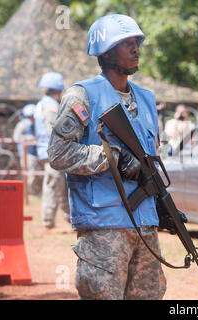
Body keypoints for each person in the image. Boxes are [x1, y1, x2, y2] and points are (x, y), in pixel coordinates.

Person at [47, 14, 166, 300]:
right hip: (103, 226)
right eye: (127, 43)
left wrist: (162, 208)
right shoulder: (82, 96)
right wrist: (111, 156)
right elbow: (57, 153)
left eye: (137, 42)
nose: (136, 48)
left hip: (145, 225)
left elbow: (152, 157)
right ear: (106, 52)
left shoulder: (147, 99)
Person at [34, 72, 71, 232]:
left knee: (63, 186)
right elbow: (53, 130)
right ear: (58, 90)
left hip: (48, 152)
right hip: (53, 153)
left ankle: (70, 220)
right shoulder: (50, 106)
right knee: (53, 184)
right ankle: (48, 221)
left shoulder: (42, 103)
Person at [13, 104, 43, 196]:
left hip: (37, 153)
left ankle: (34, 193)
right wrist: (29, 138)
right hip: (27, 155)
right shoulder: (23, 124)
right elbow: (16, 137)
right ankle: (29, 195)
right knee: (30, 176)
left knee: (37, 175)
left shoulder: (37, 124)